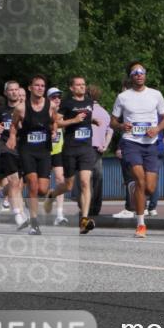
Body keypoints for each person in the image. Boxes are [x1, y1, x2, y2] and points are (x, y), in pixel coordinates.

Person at [110, 61, 164, 238]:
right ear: (130, 76)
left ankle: (132, 187)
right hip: (131, 143)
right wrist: (122, 126)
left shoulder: (156, 94)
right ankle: (141, 224)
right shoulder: (123, 97)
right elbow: (112, 122)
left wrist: (157, 129)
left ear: (145, 74)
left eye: (142, 71)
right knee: (140, 180)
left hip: (150, 144)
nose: (139, 74)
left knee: (150, 188)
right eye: (135, 72)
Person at [7, 75, 57, 236]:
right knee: (33, 186)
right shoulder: (21, 108)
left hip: (44, 150)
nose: (40, 88)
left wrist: (54, 131)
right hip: (27, 150)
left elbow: (54, 121)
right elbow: (14, 125)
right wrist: (12, 137)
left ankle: (48, 196)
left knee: (43, 189)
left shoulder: (51, 106)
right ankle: (34, 223)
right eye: (37, 85)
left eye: (43, 86)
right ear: (30, 88)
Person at [49, 76, 99, 234]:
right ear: (71, 88)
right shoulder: (67, 103)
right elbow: (57, 123)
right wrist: (74, 120)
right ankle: (53, 194)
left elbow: (86, 118)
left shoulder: (90, 102)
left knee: (85, 182)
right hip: (70, 148)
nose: (81, 87)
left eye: (83, 85)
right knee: (69, 185)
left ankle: (84, 220)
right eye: (78, 85)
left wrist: (93, 121)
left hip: (86, 148)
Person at [0, 80, 27, 227]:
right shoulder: (0, 111)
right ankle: (17, 213)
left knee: (20, 182)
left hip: (23, 147)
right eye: (11, 90)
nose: (14, 92)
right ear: (6, 93)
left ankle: (1, 195)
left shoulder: (26, 109)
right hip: (6, 146)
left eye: (16, 89)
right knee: (14, 180)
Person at [87, 84, 113, 218]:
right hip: (98, 150)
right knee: (98, 179)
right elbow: (110, 131)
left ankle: (86, 207)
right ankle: (96, 208)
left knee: (85, 181)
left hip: (84, 148)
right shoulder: (104, 112)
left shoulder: (84, 111)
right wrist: (106, 145)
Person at [44, 87, 69, 226]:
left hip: (58, 151)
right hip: (44, 151)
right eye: (54, 97)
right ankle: (49, 198)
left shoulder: (62, 113)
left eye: (59, 97)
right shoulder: (42, 112)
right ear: (48, 99)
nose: (57, 99)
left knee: (61, 180)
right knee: (44, 184)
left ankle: (59, 214)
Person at [146, 117, 164, 217]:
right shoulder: (162, 115)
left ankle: (143, 206)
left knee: (142, 178)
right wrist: (161, 142)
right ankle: (152, 208)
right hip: (158, 149)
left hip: (145, 148)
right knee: (154, 177)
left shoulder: (143, 112)